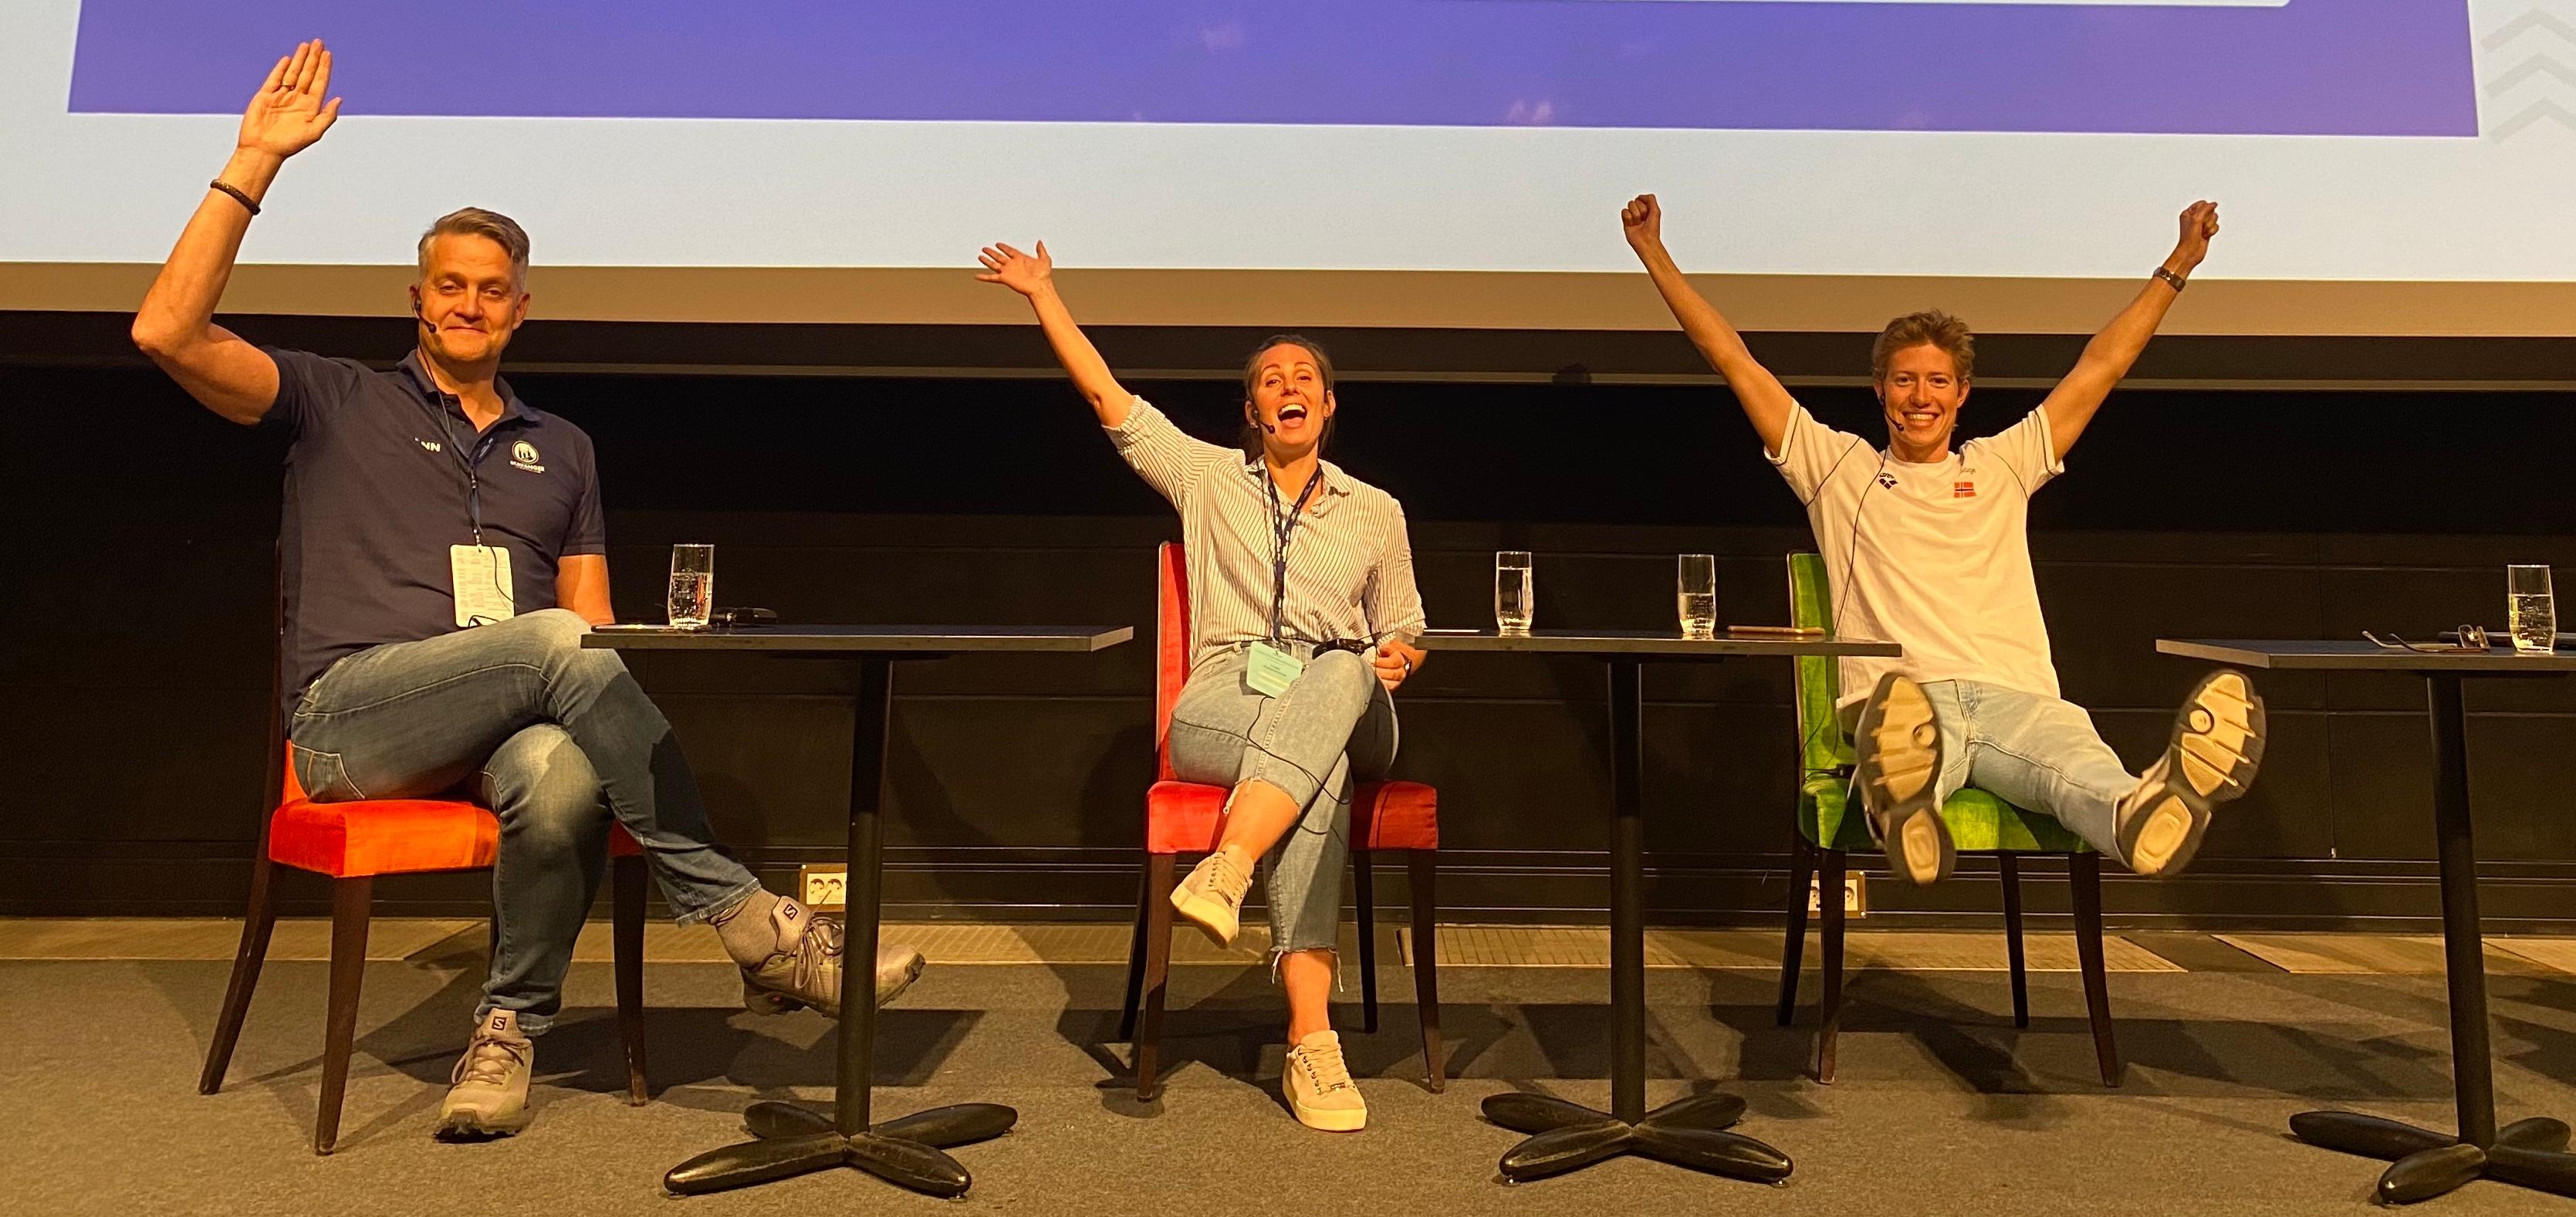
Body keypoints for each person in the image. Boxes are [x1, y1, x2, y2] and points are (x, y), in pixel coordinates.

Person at [129, 42, 925, 1141]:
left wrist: (605, 692)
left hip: (509, 713)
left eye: (490, 291)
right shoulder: (335, 400)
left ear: (519, 309)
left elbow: (591, 635)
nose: (469, 305)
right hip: (353, 725)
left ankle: (503, 1031)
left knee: (558, 770)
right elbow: (164, 331)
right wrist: (251, 162)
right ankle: (748, 917)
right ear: (417, 300)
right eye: (449, 287)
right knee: (546, 638)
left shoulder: (566, 447)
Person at [1618, 192, 2265, 885]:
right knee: (1906, 749)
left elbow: (2100, 367)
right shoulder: (1839, 469)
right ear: (1879, 391)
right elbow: (1734, 360)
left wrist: (2180, 262)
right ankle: (1902, 803)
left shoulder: (2004, 464)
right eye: (1904, 380)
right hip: (1905, 700)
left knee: (2079, 764)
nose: (1919, 396)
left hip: (2016, 698)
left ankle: (2140, 808)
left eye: (1936, 381)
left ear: (1962, 393)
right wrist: (1653, 252)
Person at [977, 239, 1427, 1131]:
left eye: (1303, 375)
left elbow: (1406, 626)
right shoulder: (1205, 478)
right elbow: (1108, 399)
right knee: (1317, 774)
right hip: (1226, 693)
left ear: (1327, 406)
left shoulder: (1376, 509)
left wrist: (1398, 659)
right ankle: (1312, 1041)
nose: (1286, 384)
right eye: (1268, 378)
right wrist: (1042, 296)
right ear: (1252, 409)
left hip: (1349, 692)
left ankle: (1229, 865)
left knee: (1337, 675)